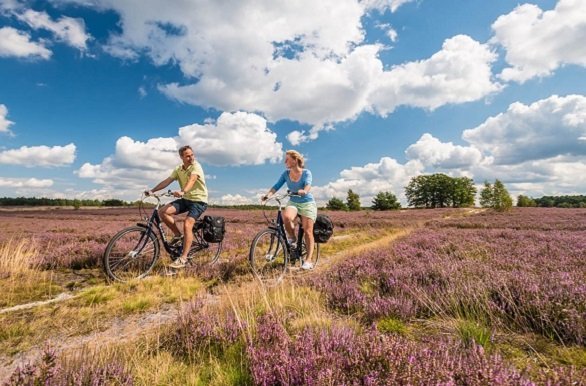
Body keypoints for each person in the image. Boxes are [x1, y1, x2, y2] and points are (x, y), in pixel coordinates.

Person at [145, 145, 208, 269]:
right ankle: (178, 235)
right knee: (163, 212)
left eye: (192, 155)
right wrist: (152, 191)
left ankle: (183, 259)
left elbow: (192, 180)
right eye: (187, 156)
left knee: (187, 224)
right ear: (181, 157)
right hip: (186, 199)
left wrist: (183, 191)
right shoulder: (178, 169)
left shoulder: (196, 166)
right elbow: (167, 181)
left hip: (199, 200)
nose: (191, 158)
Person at [262, 150, 317, 270]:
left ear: (295, 160)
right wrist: (268, 195)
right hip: (293, 201)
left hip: (307, 202)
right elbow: (276, 186)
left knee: (308, 231)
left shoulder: (306, 173)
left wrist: (305, 191)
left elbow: (308, 184)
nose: (284, 161)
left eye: (287, 159)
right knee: (286, 217)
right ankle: (292, 238)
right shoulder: (285, 174)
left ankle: (308, 260)